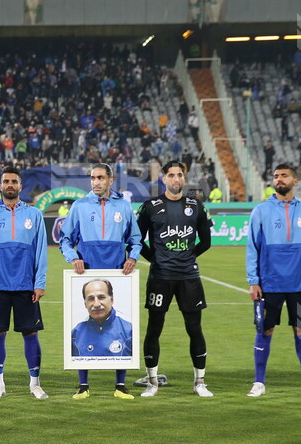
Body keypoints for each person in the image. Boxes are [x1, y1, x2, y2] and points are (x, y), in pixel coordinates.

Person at [59, 163, 141, 399]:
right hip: (88, 274)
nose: (95, 182)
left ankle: (120, 386)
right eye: (93, 178)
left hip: (117, 273)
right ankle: (83, 386)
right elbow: (65, 239)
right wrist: (73, 257)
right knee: (83, 329)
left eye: (100, 178)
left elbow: (135, 240)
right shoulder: (80, 206)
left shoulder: (123, 207)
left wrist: (133, 258)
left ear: (110, 180)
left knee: (120, 329)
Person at [246, 164, 301, 397]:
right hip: (270, 282)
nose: (279, 179)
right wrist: (254, 280)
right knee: (265, 330)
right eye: (276, 176)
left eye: (284, 176)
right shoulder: (261, 211)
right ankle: (259, 382)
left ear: (295, 180)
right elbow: (252, 247)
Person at [136, 161, 214, 397]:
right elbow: (138, 241)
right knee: (154, 329)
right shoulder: (150, 206)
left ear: (184, 178)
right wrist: (156, 260)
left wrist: (188, 257)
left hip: (189, 277)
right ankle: (152, 382)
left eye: (180, 175)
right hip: (160, 277)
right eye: (171, 175)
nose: (176, 179)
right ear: (164, 179)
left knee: (194, 329)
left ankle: (200, 382)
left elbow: (206, 241)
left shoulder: (196, 206)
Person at [0, 166, 48, 400]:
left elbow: (40, 252)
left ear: (20, 186)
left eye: (14, 181)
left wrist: (40, 282)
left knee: (31, 335)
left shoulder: (34, 214)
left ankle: (35, 384)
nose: (10, 184)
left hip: (26, 286)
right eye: (6, 181)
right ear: (0, 186)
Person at [71, 279, 134, 359]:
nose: (96, 304)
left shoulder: (130, 331)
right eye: (91, 299)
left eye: (101, 297)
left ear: (111, 300)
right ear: (85, 304)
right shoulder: (75, 334)